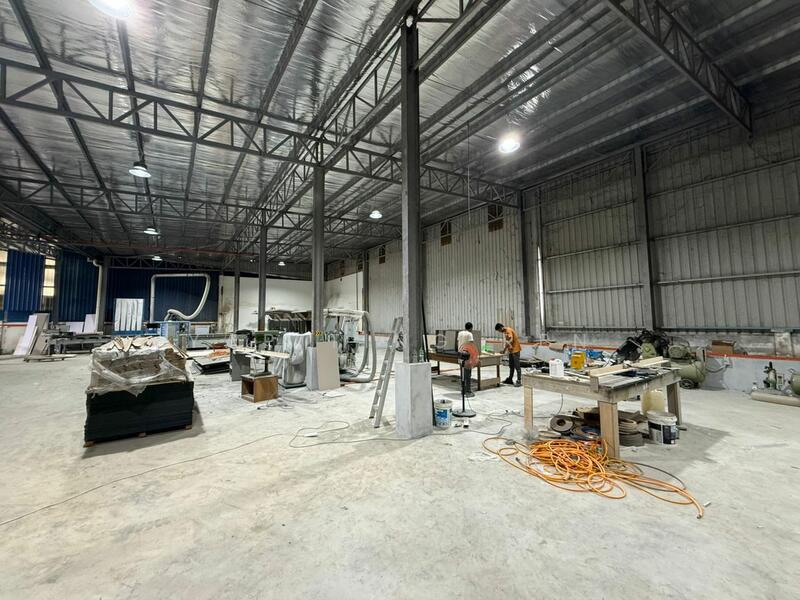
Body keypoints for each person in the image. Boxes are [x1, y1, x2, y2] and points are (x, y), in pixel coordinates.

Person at [495, 322, 521, 387]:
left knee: (517, 366)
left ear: (501, 328)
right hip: (511, 351)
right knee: (511, 366)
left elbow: (511, 339)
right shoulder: (505, 332)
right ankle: (510, 379)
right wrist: (504, 350)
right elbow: (508, 343)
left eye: (499, 330)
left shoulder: (508, 330)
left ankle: (519, 380)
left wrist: (508, 344)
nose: (499, 332)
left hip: (515, 350)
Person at [457, 322, 477, 397]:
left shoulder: (460, 333)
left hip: (460, 355)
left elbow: (458, 343)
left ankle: (463, 390)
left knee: (462, 374)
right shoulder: (469, 334)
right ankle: (468, 391)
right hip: (466, 356)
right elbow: (471, 345)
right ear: (471, 328)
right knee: (468, 375)